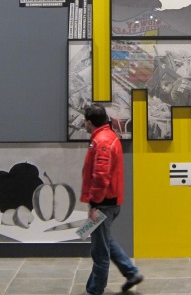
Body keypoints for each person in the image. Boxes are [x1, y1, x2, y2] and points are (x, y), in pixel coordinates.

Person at [80, 104, 143, 294]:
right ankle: (131, 272)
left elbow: (101, 175)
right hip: (109, 200)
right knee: (105, 241)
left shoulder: (102, 141)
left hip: (104, 202)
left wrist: (95, 203)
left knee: (99, 252)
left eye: (85, 120)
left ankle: (94, 290)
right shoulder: (105, 136)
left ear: (89, 122)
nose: (83, 123)